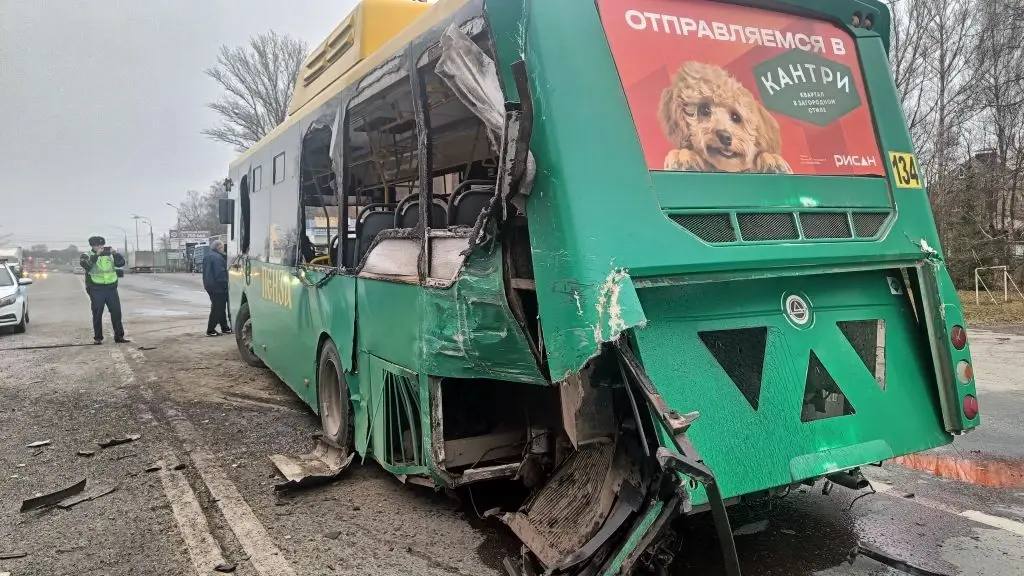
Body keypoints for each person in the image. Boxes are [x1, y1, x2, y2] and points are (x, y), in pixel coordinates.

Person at [80, 236, 129, 344]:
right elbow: (86, 266)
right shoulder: (87, 255)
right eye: (98, 245)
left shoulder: (110, 255)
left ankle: (119, 337)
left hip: (111, 288)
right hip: (96, 288)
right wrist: (96, 255)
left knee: (116, 312)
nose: (101, 247)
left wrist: (115, 253)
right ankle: (98, 338)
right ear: (92, 246)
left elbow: (121, 263)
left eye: (102, 245)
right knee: (97, 313)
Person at [202, 239, 231, 337]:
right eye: (222, 247)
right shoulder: (218, 258)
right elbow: (220, 274)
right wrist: (226, 285)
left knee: (220, 307)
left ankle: (225, 328)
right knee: (217, 308)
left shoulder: (208, 256)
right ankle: (210, 330)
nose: (223, 249)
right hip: (217, 287)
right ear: (219, 247)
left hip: (209, 285)